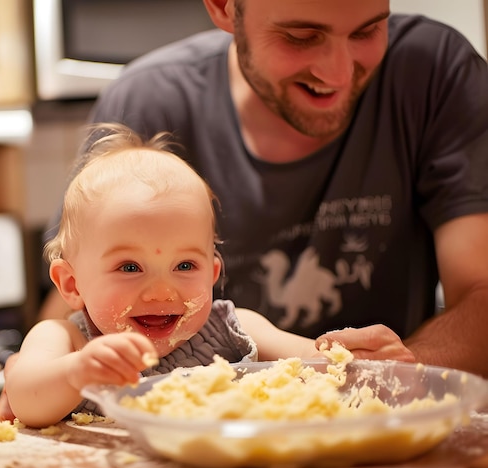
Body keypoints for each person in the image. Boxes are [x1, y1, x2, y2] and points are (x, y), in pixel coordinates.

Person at [37, 0, 488, 377]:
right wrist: (44, 372)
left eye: (367, 31)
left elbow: (480, 293)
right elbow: (75, 307)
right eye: (300, 36)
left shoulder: (434, 73)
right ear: (223, 7)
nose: (338, 73)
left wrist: (397, 371)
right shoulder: (149, 100)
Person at [1, 124, 413, 427]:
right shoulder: (65, 340)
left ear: (213, 273)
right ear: (72, 284)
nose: (162, 291)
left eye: (185, 266)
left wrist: (365, 363)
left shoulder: (236, 328)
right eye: (130, 267)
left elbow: (325, 366)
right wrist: (78, 371)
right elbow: (27, 401)